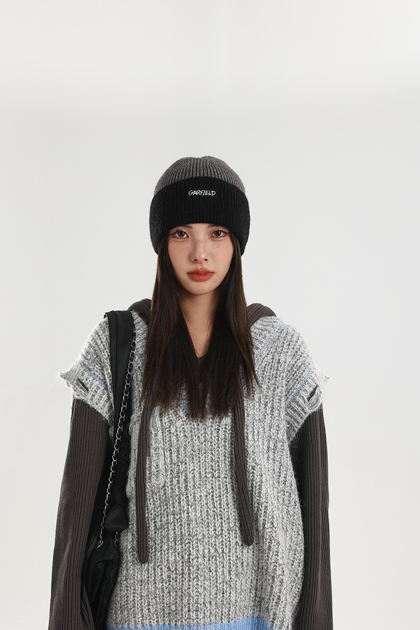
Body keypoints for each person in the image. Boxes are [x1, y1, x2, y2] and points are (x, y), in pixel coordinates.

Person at [48, 156, 333, 630]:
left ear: (237, 241)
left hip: (259, 613)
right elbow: (74, 519)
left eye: (217, 232)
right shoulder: (117, 346)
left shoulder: (281, 352)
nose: (200, 253)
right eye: (182, 233)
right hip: (140, 616)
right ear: (162, 242)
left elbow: (315, 519)